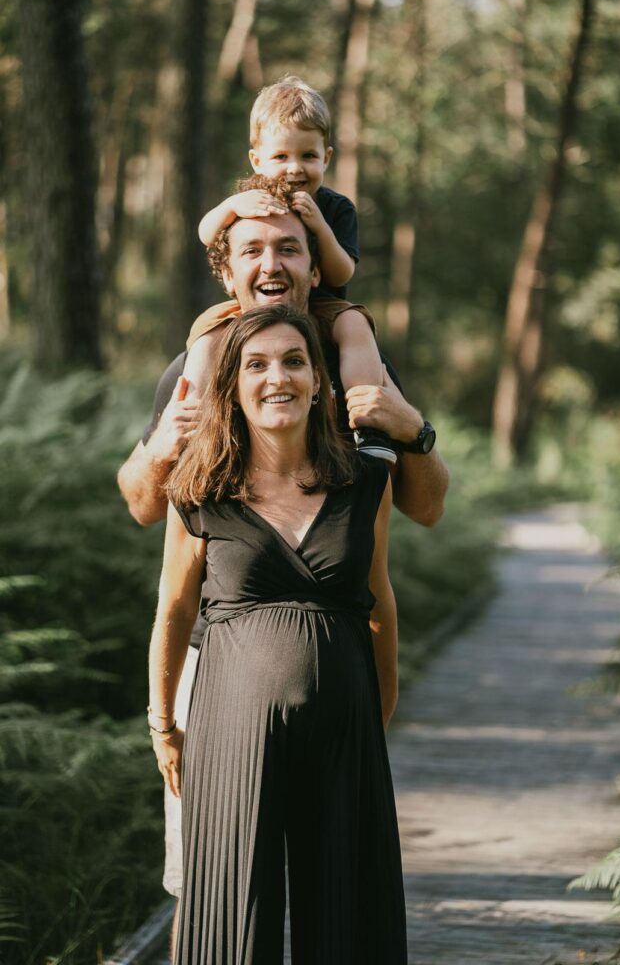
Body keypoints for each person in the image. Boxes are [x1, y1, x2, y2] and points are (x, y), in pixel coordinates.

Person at [117, 179, 449, 946]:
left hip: (337, 682)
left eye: (289, 247)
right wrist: (166, 445)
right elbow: (145, 506)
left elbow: (414, 520)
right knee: (207, 879)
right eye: (253, 250)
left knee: (343, 885)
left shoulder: (354, 360)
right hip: (218, 665)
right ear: (228, 268)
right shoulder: (196, 370)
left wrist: (412, 428)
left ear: (317, 262)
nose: (272, 263)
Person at [148, 303, 407, 964]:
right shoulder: (199, 487)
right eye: (257, 365)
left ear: (320, 380)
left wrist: (376, 714)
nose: (278, 378)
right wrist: (163, 726)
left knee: (349, 917)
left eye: (295, 361)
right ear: (233, 385)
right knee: (234, 920)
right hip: (229, 732)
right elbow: (174, 613)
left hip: (346, 728)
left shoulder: (365, 481)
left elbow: (379, 602)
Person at [190, 74, 394, 461]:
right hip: (253, 308)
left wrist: (318, 226)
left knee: (355, 324)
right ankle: (193, 420)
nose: (294, 169)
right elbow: (205, 233)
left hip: (320, 307)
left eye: (308, 156)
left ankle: (368, 423)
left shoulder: (336, 208)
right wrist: (231, 209)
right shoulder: (247, 201)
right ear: (257, 160)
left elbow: (341, 274)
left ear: (326, 158)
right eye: (281, 157)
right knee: (206, 330)